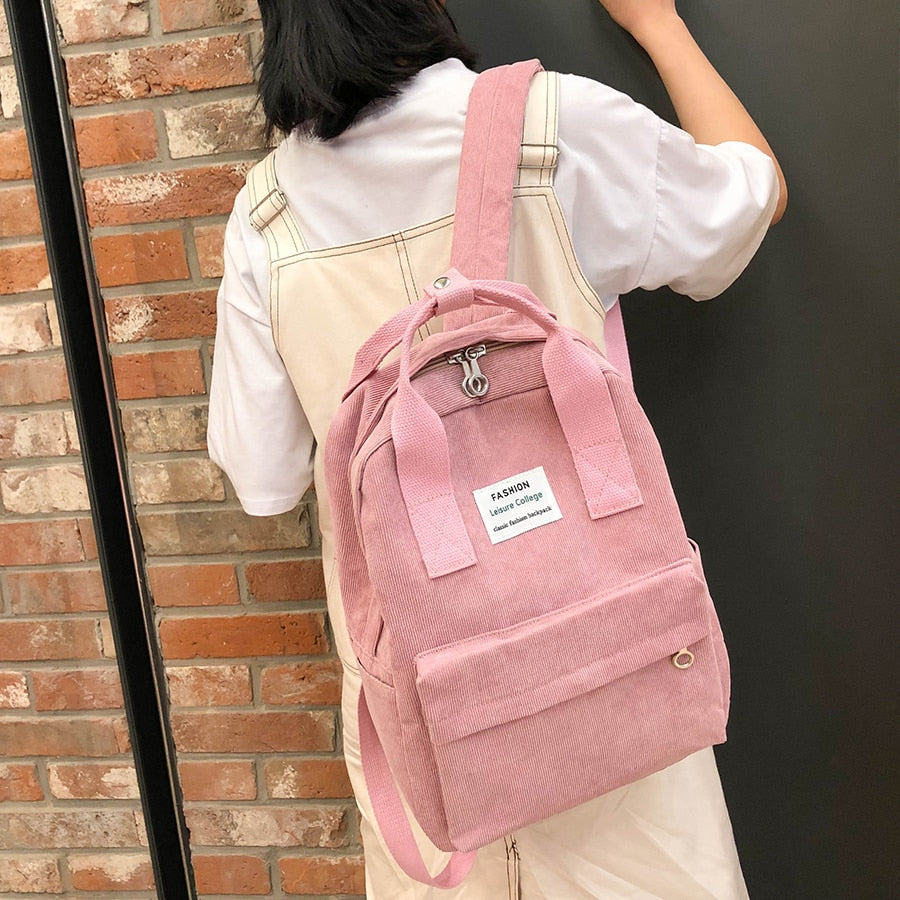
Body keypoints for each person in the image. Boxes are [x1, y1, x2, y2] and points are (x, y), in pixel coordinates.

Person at [207, 1, 787, 896]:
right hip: (610, 684)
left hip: (430, 731)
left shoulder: (265, 218)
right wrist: (658, 25)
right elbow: (749, 199)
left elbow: (264, 477)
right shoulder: (556, 127)